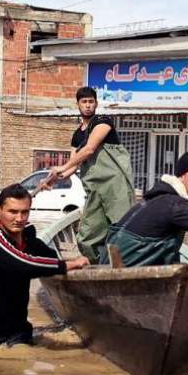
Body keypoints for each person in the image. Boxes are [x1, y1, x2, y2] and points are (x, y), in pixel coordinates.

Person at [0, 183, 89, 347]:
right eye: (13, 212)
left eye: (24, 212)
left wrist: (66, 261)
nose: (19, 219)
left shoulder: (27, 237)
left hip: (17, 332)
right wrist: (67, 266)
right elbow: (22, 264)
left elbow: (49, 256)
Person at [43, 86, 135, 263]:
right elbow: (71, 168)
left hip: (115, 186)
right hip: (94, 190)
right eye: (84, 102)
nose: (87, 105)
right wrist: (54, 178)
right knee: (86, 237)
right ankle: (99, 267)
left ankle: (126, 267)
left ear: (96, 104)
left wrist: (63, 166)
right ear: (77, 104)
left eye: (91, 102)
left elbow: (89, 149)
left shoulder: (102, 121)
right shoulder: (77, 135)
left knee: (124, 230)